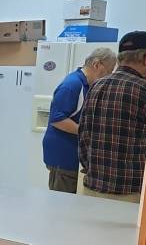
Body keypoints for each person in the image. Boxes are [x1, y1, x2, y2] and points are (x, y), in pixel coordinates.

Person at [78, 31, 146, 202]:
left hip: (92, 186)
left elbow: (83, 133)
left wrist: (91, 169)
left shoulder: (97, 85)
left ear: (120, 58)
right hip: (128, 191)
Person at [42, 47, 117, 193]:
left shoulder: (86, 85)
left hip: (72, 156)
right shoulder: (72, 85)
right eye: (109, 70)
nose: (109, 76)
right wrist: (89, 134)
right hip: (63, 155)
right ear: (97, 64)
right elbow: (57, 119)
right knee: (62, 203)